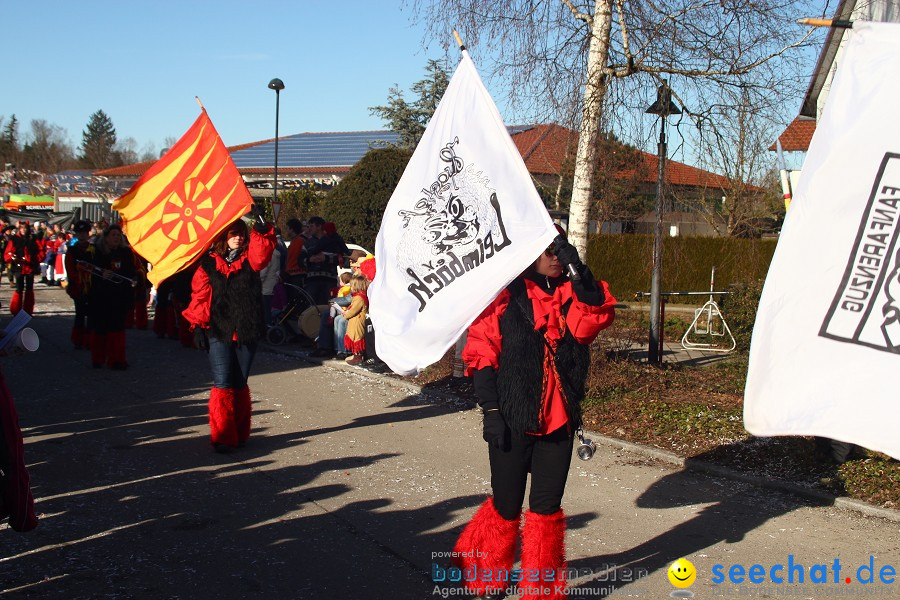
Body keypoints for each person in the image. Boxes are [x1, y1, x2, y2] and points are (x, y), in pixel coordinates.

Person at [451, 231, 616, 599]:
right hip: (512, 416)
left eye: (559, 251)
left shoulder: (571, 295)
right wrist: (491, 410)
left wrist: (578, 269)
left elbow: (593, 318)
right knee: (507, 505)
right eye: (547, 251)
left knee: (546, 510)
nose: (554, 257)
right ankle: (487, 577)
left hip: (558, 421)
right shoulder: (504, 296)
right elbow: (482, 354)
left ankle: (540, 591)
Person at [182, 216, 275, 452]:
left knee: (239, 382)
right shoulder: (208, 264)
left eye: (241, 233)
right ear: (223, 237)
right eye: (233, 233)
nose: (238, 237)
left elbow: (262, 254)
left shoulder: (250, 261)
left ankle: (240, 432)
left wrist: (261, 232)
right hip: (219, 330)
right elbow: (200, 297)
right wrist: (197, 326)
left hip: (247, 329)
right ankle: (223, 435)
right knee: (222, 383)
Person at [84, 224, 137, 369]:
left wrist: (133, 278)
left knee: (117, 328)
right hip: (101, 296)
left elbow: (131, 271)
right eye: (113, 235)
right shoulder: (96, 252)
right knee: (100, 328)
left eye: (118, 235)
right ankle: (98, 358)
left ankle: (117, 360)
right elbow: (87, 270)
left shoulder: (126, 252)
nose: (116, 238)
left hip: (119, 296)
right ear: (106, 237)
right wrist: (101, 274)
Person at [302, 216, 348, 305]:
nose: (309, 229)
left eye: (311, 226)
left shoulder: (334, 241)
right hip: (312, 281)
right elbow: (300, 260)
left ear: (319, 227)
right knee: (312, 306)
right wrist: (310, 260)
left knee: (330, 306)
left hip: (329, 280)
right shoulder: (307, 243)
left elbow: (343, 259)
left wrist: (327, 258)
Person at [63, 220, 94, 350]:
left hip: (92, 286)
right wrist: (79, 278)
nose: (82, 235)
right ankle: (78, 339)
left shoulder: (93, 249)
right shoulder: (72, 250)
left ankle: (89, 340)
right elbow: (70, 269)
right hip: (78, 286)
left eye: (84, 233)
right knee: (80, 314)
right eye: (80, 233)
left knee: (92, 314)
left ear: (88, 234)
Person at [4, 221, 42, 315]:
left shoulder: (33, 238)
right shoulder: (14, 239)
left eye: (25, 228)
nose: (23, 230)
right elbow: (8, 253)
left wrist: (35, 259)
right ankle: (16, 310)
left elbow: (41, 251)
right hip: (18, 267)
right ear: (19, 229)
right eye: (21, 228)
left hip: (30, 267)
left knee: (29, 288)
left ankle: (28, 310)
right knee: (19, 288)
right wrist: (12, 257)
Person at [341, 274, 369, 365]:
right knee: (353, 336)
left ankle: (358, 357)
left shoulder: (359, 298)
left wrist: (346, 315)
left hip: (357, 321)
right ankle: (355, 355)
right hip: (354, 320)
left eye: (352, 285)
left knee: (357, 336)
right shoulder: (358, 296)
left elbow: (353, 310)